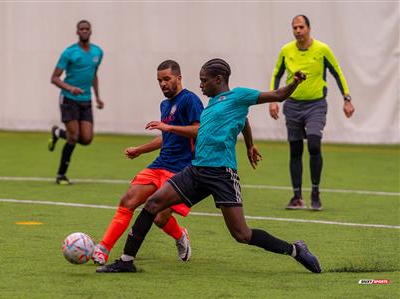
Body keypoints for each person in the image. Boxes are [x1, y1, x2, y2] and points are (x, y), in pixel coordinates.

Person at [96, 58, 322, 274]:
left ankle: (295, 250)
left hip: (222, 173)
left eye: (204, 80)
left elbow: (278, 95)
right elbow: (243, 121)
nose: (201, 85)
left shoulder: (239, 95)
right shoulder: (212, 104)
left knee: (241, 234)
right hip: (196, 170)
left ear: (219, 78)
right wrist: (249, 144)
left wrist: (294, 82)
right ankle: (127, 261)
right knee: (153, 203)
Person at [91, 60, 262, 266]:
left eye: (166, 79)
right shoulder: (165, 104)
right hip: (160, 163)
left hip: (182, 168)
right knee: (128, 200)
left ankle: (180, 236)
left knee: (160, 218)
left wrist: (168, 127)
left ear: (178, 78)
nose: (163, 84)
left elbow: (199, 130)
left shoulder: (190, 100)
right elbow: (167, 137)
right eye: (159, 81)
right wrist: (140, 150)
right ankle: (103, 248)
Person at [269, 15, 355, 210]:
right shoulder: (286, 50)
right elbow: (277, 74)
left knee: (314, 145)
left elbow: (337, 72)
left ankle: (315, 192)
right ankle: (297, 197)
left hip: (316, 105)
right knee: (296, 150)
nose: (298, 31)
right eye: (294, 28)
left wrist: (347, 99)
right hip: (292, 105)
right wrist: (274, 101)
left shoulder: (322, 49)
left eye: (301, 27)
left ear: (308, 28)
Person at [48, 20, 105, 185]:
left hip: (86, 101)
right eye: (82, 29)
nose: (85, 31)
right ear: (77, 32)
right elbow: (54, 77)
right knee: (73, 137)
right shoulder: (69, 52)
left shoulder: (98, 52)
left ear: (91, 31)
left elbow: (93, 75)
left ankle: (57, 133)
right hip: (69, 99)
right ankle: (61, 175)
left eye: (87, 29)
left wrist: (98, 97)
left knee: (86, 139)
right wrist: (70, 88)